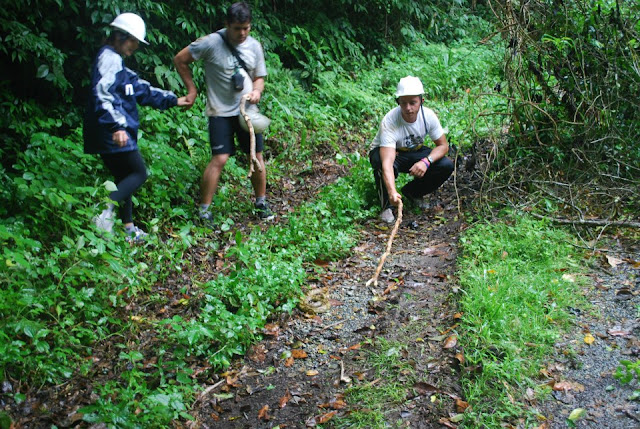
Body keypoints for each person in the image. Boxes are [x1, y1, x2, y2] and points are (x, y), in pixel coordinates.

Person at [83, 13, 188, 242]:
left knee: (124, 176)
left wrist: (173, 100)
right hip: (109, 130)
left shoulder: (118, 63)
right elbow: (102, 94)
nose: (136, 47)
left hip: (111, 130)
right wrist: (116, 127)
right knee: (139, 173)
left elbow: (139, 89)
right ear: (122, 36)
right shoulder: (108, 58)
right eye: (134, 41)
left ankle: (129, 230)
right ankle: (104, 211)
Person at [173, 1, 274, 224]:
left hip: (248, 112)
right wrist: (192, 89)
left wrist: (256, 91)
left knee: (256, 156)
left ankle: (261, 203)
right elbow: (180, 60)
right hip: (219, 112)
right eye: (237, 28)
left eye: (246, 28)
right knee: (219, 158)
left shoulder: (254, 46)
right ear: (227, 24)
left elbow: (259, 77)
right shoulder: (210, 43)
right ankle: (204, 210)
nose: (242, 33)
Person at [369, 76, 454, 224]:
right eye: (403, 103)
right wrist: (391, 191)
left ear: (421, 101)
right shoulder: (390, 121)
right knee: (380, 163)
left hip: (414, 150)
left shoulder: (428, 116)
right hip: (389, 152)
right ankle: (386, 206)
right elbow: (387, 162)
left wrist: (426, 161)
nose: (408, 108)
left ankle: (413, 192)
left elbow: (443, 146)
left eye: (413, 103)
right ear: (398, 103)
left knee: (445, 165)